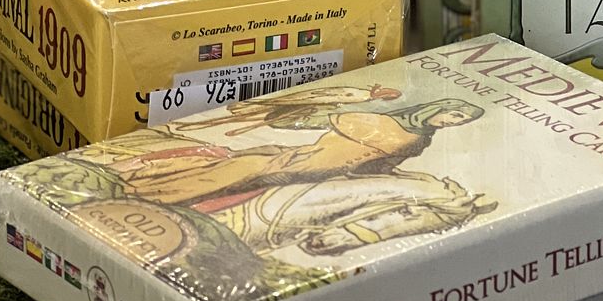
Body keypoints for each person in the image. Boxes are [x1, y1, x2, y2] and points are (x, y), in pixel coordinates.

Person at [108, 99, 485, 209]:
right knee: (241, 169)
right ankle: (148, 190)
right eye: (455, 115)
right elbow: (329, 123)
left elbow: (382, 163)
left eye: (460, 121)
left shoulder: (422, 140)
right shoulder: (381, 121)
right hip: (307, 159)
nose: (453, 122)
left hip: (328, 171)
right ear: (441, 108)